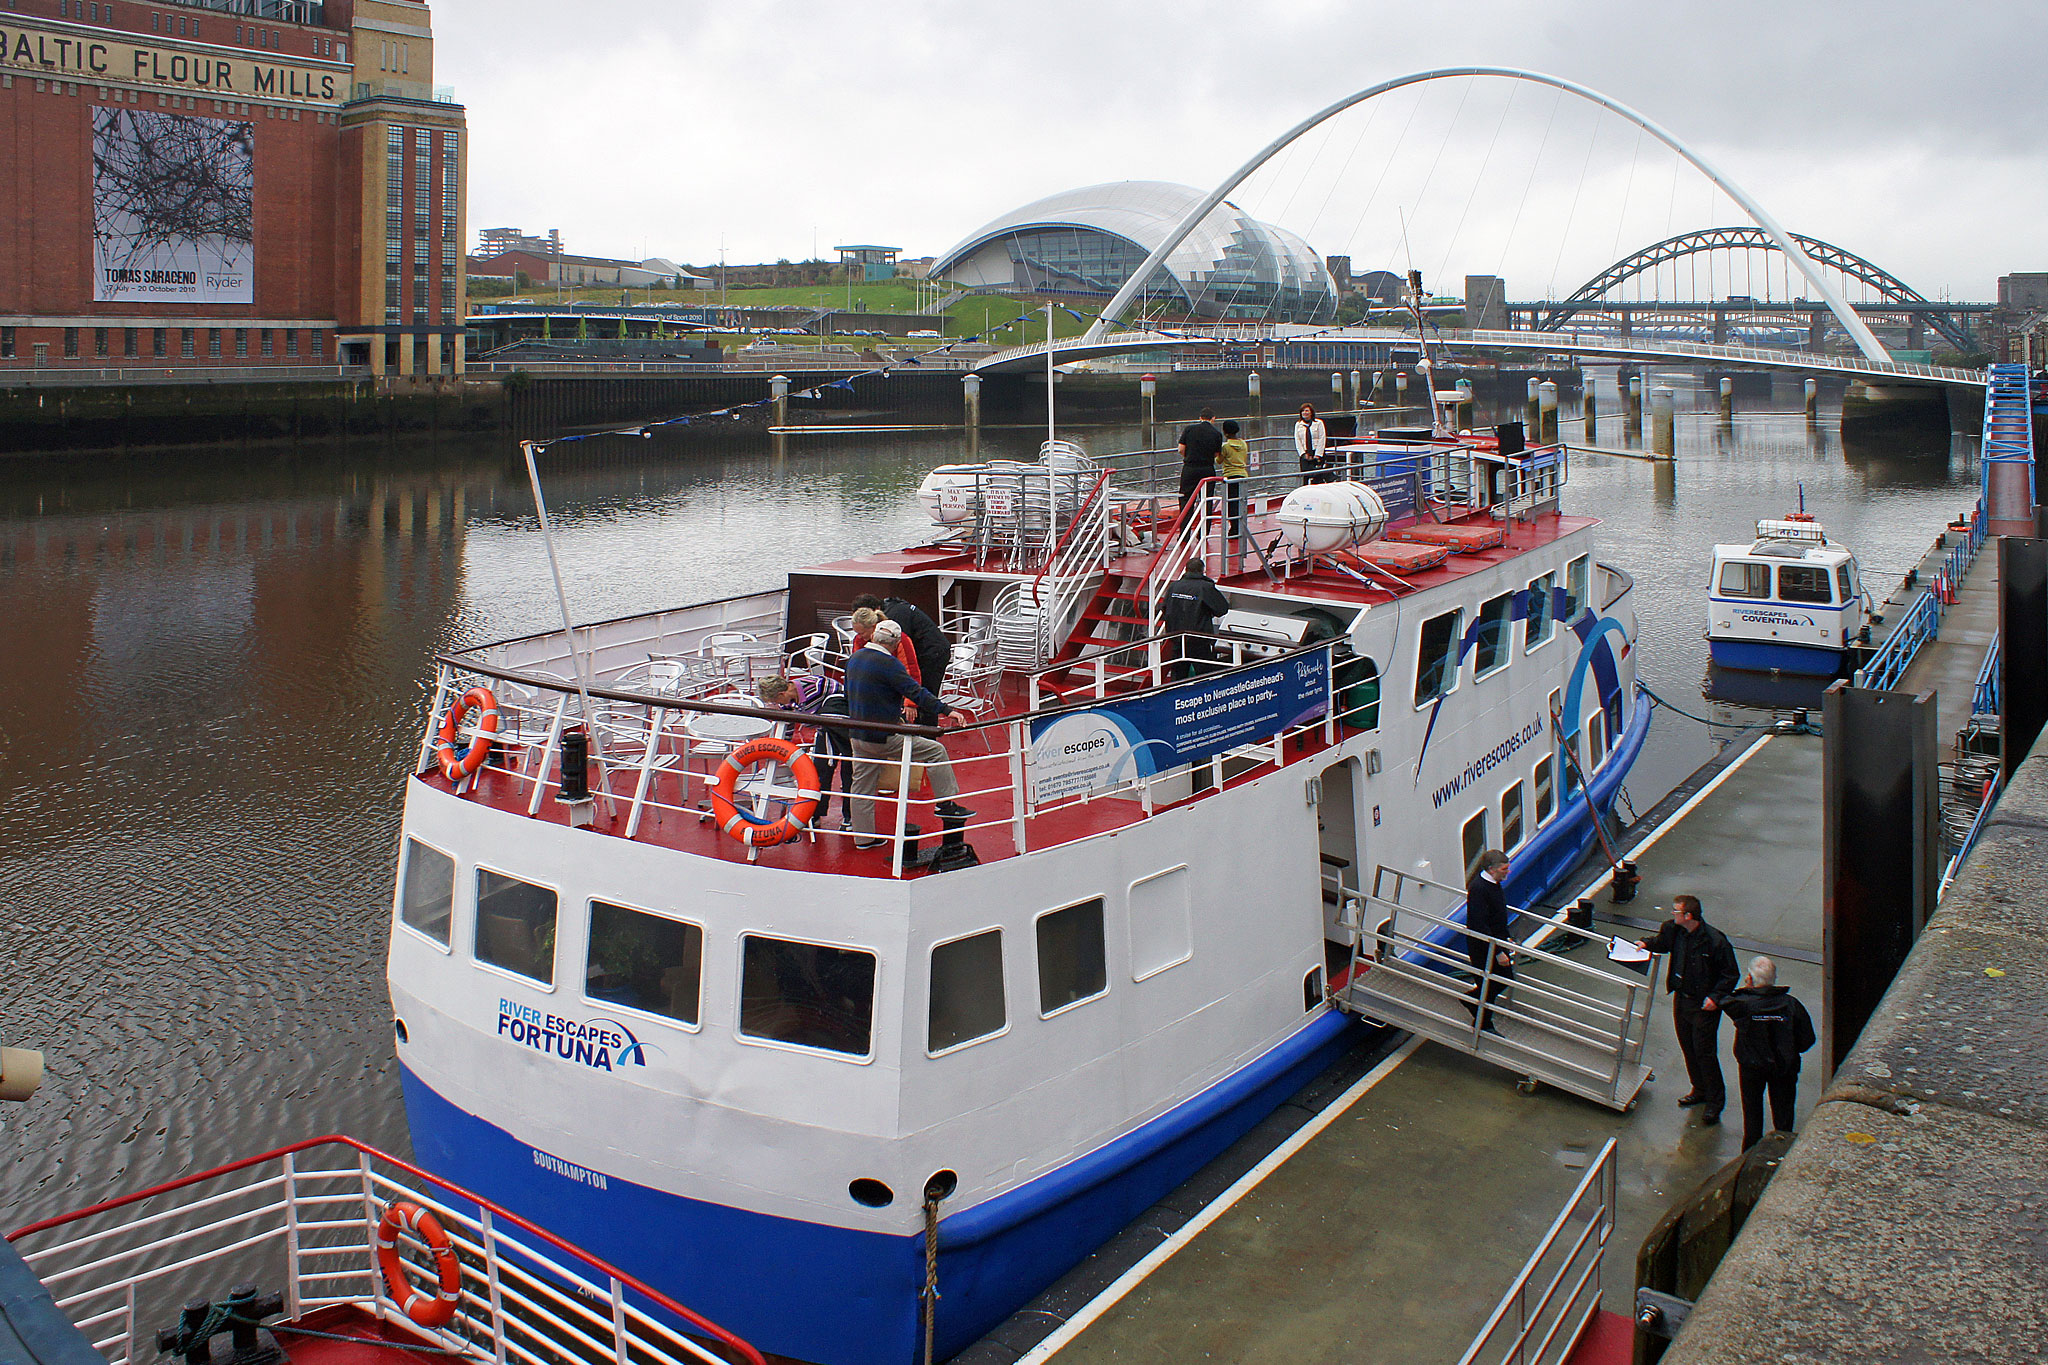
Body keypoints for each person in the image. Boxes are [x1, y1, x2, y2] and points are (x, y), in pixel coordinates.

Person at [845, 619, 973, 849]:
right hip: (883, 737)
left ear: (873, 637)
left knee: (861, 787)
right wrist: (947, 710)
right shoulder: (889, 664)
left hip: (857, 735)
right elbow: (916, 692)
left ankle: (863, 838)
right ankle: (945, 803)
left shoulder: (854, 659)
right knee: (936, 750)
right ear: (895, 644)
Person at [1636, 895, 1741, 1124]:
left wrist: (1715, 998)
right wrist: (1646, 943)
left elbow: (1730, 974)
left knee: (1705, 1052)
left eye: (1676, 911)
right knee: (1688, 1047)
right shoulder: (1673, 930)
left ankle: (1715, 1101)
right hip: (1682, 999)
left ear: (1688, 916)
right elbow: (1662, 943)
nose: (1672, 914)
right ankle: (1699, 1089)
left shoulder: (1714, 941)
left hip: (1703, 1006)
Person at [1706, 956, 1816, 1150]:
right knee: (1784, 1113)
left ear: (1750, 979)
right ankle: (1781, 1150)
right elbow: (1808, 1039)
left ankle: (1749, 1154)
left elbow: (1725, 1000)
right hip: (1784, 1067)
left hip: (1752, 1067)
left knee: (1752, 1113)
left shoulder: (1742, 1005)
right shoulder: (1792, 1005)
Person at [757, 674, 852, 826]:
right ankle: (815, 814)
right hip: (823, 729)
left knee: (849, 769)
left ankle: (849, 816)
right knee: (819, 770)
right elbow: (787, 726)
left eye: (776, 701)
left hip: (843, 726)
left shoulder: (816, 686)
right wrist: (782, 751)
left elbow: (842, 701)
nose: (777, 704)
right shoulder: (787, 703)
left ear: (782, 694)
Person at [854, 592, 950, 725]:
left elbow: (908, 665)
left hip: (932, 653)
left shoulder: (895, 626)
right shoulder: (888, 613)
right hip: (927, 649)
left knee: (925, 695)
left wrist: (910, 701)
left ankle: (928, 733)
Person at [1464, 851, 1514, 1034]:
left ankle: (1474, 1003)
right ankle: (1483, 1023)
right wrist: (1498, 952)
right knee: (1492, 983)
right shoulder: (1480, 889)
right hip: (1484, 946)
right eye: (1504, 869)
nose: (1507, 872)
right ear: (1491, 869)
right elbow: (1479, 924)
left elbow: (1496, 917)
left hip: (1495, 941)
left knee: (1499, 981)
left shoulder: (1493, 885)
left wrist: (1505, 937)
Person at [1159, 556, 1229, 681]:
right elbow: (1222, 609)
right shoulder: (1205, 587)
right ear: (1202, 571)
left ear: (1186, 570)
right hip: (1199, 639)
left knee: (1178, 676)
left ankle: (1177, 698)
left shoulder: (1174, 586)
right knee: (1205, 677)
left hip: (1177, 638)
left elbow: (1164, 608)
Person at [1177, 407, 1224, 517]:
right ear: (1213, 419)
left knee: (1186, 500)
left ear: (1200, 418)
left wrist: (1189, 456)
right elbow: (1217, 454)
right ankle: (1204, 532)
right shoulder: (1216, 433)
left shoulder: (1189, 429)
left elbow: (1180, 449)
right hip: (1207, 468)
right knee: (1206, 500)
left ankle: (1185, 532)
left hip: (1190, 468)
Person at [1217, 418, 1250, 540]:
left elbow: (1219, 460)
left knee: (1232, 504)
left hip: (1230, 476)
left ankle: (1234, 528)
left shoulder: (1225, 446)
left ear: (1225, 432)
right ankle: (1241, 526)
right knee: (1241, 502)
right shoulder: (1243, 444)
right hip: (1242, 475)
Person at [1295, 403, 1332, 484]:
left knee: (1317, 476)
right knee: (1306, 474)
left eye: (1307, 411)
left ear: (1311, 412)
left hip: (1316, 451)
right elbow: (1297, 440)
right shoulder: (1298, 424)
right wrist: (1303, 454)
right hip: (1305, 453)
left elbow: (1322, 438)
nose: (1305, 413)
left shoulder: (1319, 423)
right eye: (1303, 411)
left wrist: (1318, 454)